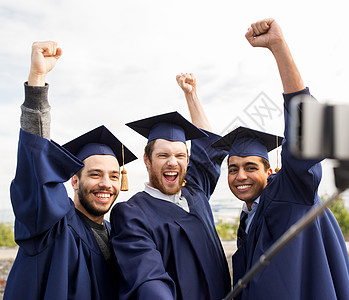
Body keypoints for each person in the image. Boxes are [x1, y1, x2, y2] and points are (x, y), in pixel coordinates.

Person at [212, 19, 349, 299]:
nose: (240, 176)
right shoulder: (249, 215)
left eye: (250, 167)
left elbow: (303, 143)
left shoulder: (291, 194)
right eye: (233, 169)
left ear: (270, 169)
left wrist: (278, 48)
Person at [4, 41, 137, 300]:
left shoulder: (116, 234)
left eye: (113, 175)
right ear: (74, 180)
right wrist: (37, 81)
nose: (106, 184)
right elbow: (36, 173)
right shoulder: (52, 224)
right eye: (95, 174)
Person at [110, 73, 231, 299]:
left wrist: (192, 95)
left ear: (187, 159)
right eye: (163, 155)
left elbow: (209, 149)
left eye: (179, 155)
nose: (172, 162)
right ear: (147, 160)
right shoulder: (131, 214)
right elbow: (147, 276)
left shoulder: (195, 192)